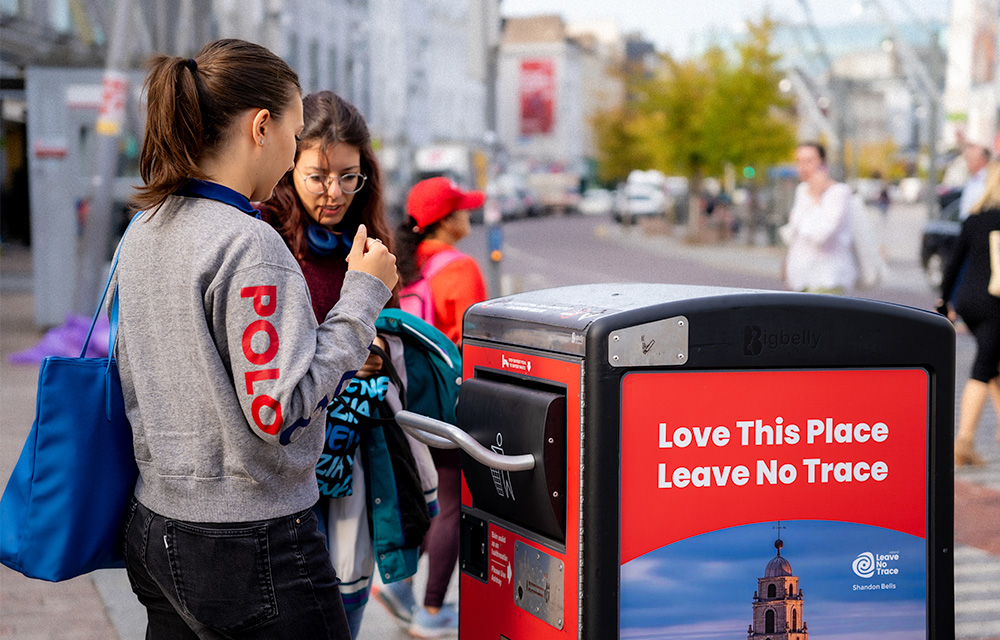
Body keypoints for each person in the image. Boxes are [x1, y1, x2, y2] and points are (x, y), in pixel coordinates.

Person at [117, 40, 397, 640]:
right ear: (261, 127)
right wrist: (362, 298)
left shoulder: (144, 227)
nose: (294, 157)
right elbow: (281, 410)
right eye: (297, 138)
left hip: (154, 522)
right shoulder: (249, 244)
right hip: (250, 540)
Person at [259, 90, 436, 638]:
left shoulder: (373, 245)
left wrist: (379, 352)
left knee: (344, 605)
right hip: (282, 462)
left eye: (348, 176)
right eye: (317, 176)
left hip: (356, 456)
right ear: (290, 166)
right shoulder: (264, 239)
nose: (333, 193)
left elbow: (390, 332)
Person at [374, 177, 487, 638]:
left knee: (426, 498)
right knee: (451, 504)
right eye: (461, 208)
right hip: (447, 403)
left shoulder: (405, 263)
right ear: (446, 220)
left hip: (406, 401)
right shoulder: (459, 270)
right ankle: (432, 609)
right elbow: (479, 342)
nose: (468, 214)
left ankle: (401, 589)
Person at [938, 159, 1000, 467]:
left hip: (969, 302)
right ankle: (962, 441)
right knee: (984, 367)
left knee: (994, 363)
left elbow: (952, 264)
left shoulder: (974, 218)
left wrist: (943, 304)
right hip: (995, 302)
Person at [781, 141, 857, 295]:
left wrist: (816, 198)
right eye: (799, 161)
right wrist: (787, 266)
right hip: (801, 278)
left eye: (809, 161)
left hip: (828, 278)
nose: (803, 167)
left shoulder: (838, 192)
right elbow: (796, 234)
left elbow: (821, 236)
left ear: (823, 164)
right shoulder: (802, 190)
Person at [959, 143, 991, 221]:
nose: (967, 162)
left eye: (970, 158)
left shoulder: (989, 178)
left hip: (979, 224)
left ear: (981, 160)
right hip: (968, 223)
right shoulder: (972, 177)